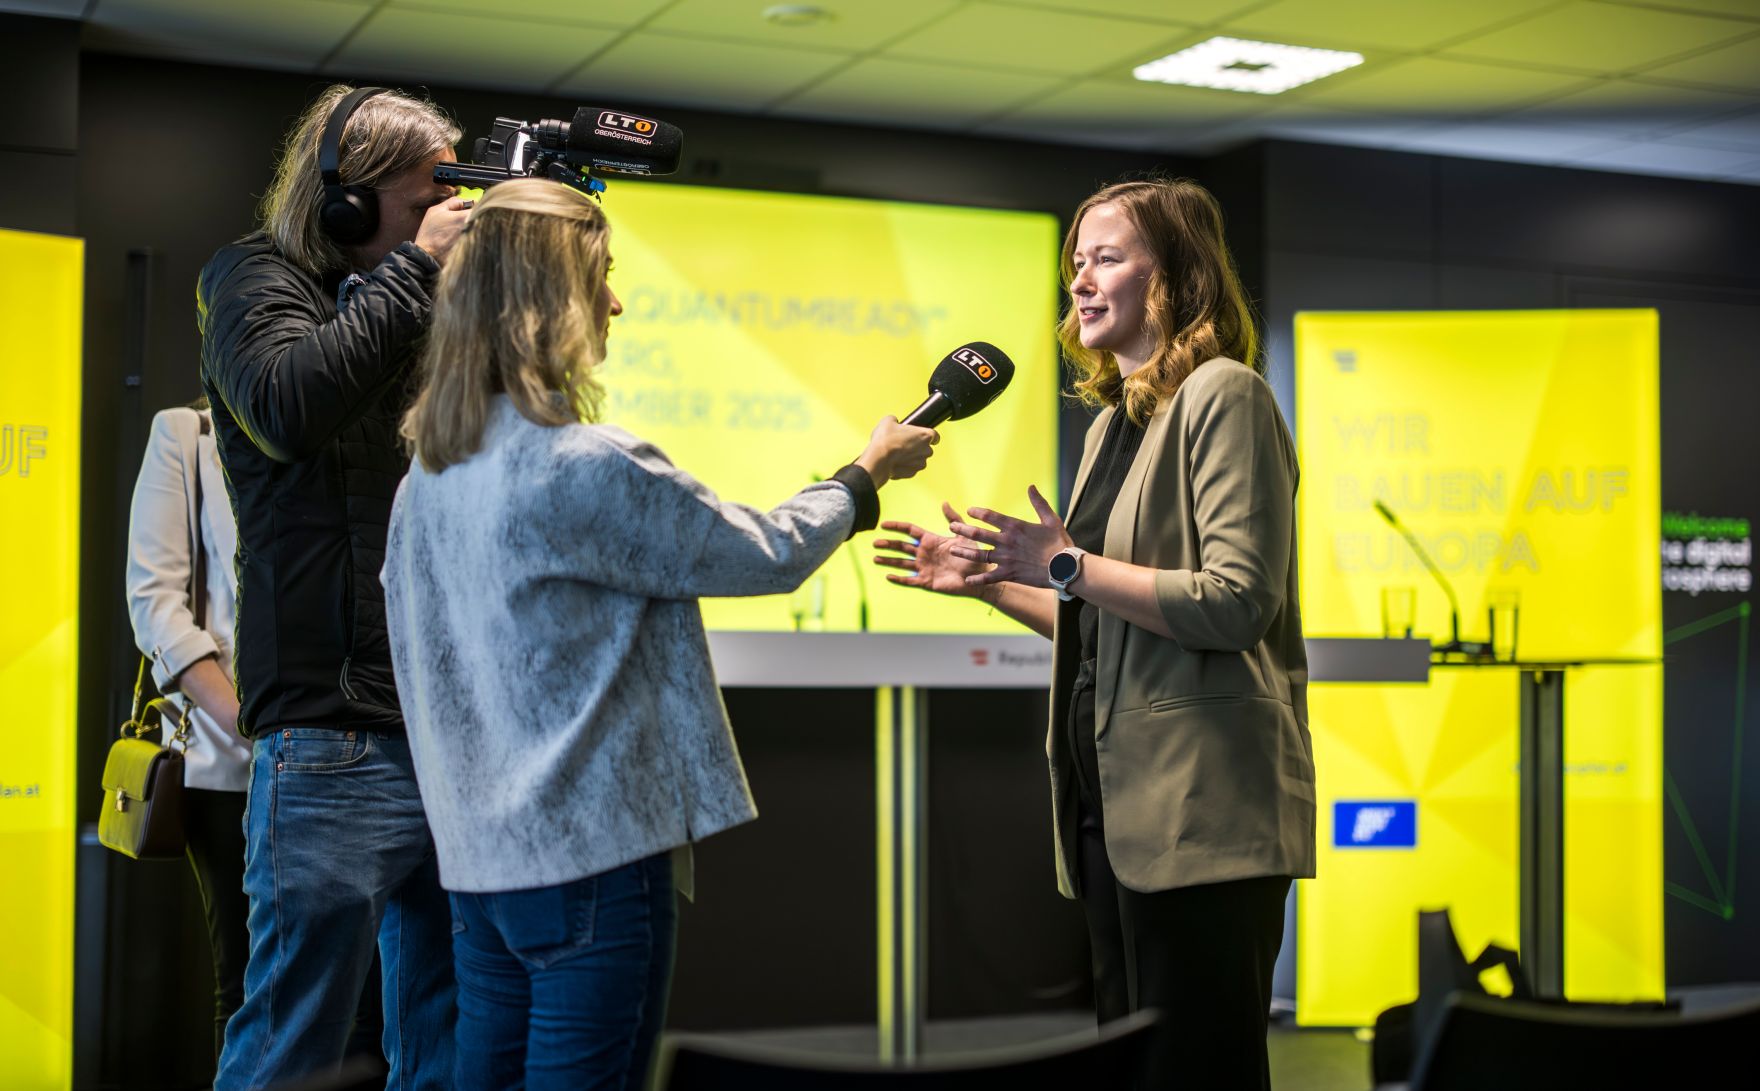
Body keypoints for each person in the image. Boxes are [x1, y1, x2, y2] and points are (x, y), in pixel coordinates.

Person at [380, 178, 937, 1088]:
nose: (616, 300)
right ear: (546, 301)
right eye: (599, 277)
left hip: (480, 869)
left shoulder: (425, 483)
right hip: (592, 865)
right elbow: (766, 552)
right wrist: (866, 474)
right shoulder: (582, 464)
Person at [874, 178, 1314, 1090]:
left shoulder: (1225, 398)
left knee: (1198, 1072)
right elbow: (1101, 622)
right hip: (1114, 813)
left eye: (1107, 256)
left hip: (1202, 816)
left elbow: (1235, 601)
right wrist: (996, 582)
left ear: (1177, 274)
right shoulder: (1116, 422)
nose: (1080, 279)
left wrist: (1067, 564)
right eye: (1076, 260)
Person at [196, 83, 470, 1090]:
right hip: (329, 728)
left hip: (445, 728)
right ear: (346, 201)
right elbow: (286, 405)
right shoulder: (251, 278)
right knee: (292, 1039)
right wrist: (414, 269)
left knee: (446, 1036)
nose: (433, 225)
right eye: (416, 205)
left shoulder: (415, 304)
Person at [123, 397, 254, 1059]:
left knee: (362, 993)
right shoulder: (186, 432)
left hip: (339, 751)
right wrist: (244, 720)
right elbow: (155, 605)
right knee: (245, 984)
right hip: (224, 755)